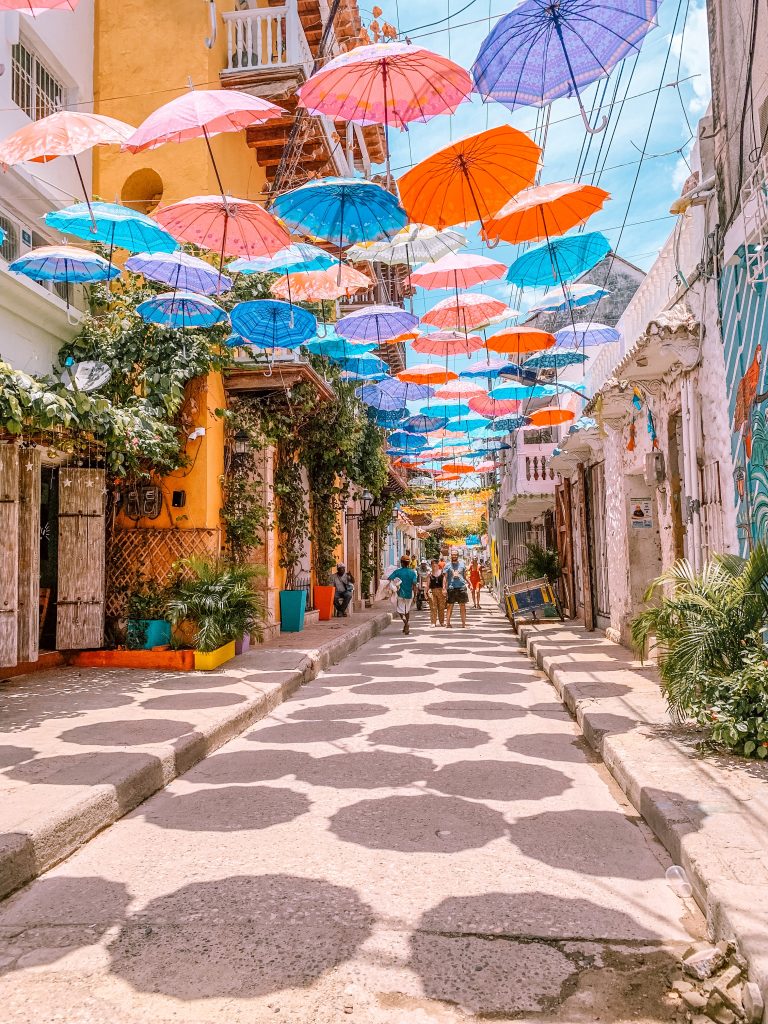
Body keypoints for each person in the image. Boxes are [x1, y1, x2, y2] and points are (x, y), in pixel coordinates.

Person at [388, 554, 418, 634]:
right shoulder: (412, 572)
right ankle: (406, 626)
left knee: (400, 610)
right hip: (409, 594)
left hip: (400, 594)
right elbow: (414, 584)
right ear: (408, 563)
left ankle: (406, 623)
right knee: (407, 610)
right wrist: (415, 596)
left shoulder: (397, 572)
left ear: (401, 563)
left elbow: (389, 578)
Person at [445, 550, 469, 628]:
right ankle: (447, 623)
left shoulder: (462, 564)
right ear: (450, 555)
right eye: (452, 555)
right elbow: (445, 578)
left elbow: (465, 576)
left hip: (461, 587)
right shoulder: (447, 565)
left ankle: (464, 624)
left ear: (458, 555)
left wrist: (470, 583)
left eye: (455, 555)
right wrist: (443, 588)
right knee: (450, 606)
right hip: (451, 587)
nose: (454, 556)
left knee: (462, 606)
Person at [427, 559, 447, 626]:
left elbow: (444, 583)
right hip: (432, 591)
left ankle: (442, 622)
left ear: (438, 565)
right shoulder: (429, 574)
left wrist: (444, 590)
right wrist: (425, 592)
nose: (434, 566)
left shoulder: (442, 573)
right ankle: (433, 622)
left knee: (441, 607)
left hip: (440, 591)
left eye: (435, 565)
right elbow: (427, 584)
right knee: (433, 607)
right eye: (432, 565)